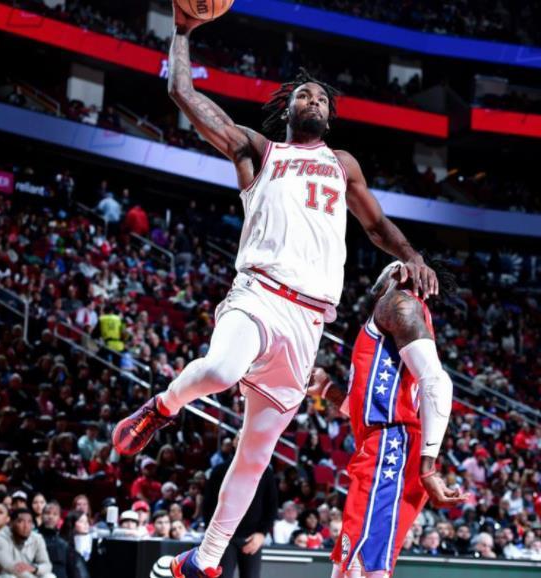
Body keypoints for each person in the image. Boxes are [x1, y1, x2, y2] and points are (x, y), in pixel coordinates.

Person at [113, 3, 438, 576]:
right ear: (287, 109)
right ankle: (161, 407)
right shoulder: (259, 153)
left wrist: (411, 256)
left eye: (322, 100)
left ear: (329, 119)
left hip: (308, 321)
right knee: (220, 369)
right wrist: (182, 32)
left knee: (256, 453)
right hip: (258, 294)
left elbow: (375, 224)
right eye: (304, 95)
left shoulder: (342, 164)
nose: (313, 101)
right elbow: (183, 94)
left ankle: (204, 560)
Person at [308, 260, 465, 577]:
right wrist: (328, 390)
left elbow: (438, 383)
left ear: (400, 272)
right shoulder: (397, 320)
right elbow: (375, 405)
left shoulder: (398, 303)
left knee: (359, 566)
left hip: (390, 447)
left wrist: (428, 467)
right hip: (385, 444)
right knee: (353, 564)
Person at [203, 447, 277, 578]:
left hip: (252, 537)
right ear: (235, 443)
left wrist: (262, 533)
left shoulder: (265, 472)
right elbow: (208, 505)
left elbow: (272, 506)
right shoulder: (220, 470)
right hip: (223, 538)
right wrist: (214, 535)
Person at [0, 508, 55, 578]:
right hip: (6, 574)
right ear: (11, 523)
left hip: (28, 573)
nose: (26, 526)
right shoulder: (0, 537)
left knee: (50, 576)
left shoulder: (37, 538)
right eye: (20, 521)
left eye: (29, 522)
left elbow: (47, 565)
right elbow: (11, 568)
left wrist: (35, 569)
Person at [39, 502, 70, 578]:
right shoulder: (33, 537)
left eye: (55, 514)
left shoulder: (65, 540)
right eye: (47, 513)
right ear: (42, 515)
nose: (50, 517)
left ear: (59, 518)